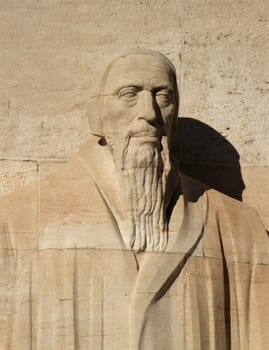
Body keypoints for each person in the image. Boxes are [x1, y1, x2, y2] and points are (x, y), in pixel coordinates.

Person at [0, 49, 268, 349]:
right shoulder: (18, 223)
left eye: (163, 97)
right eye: (129, 94)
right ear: (98, 113)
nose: (149, 113)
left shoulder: (240, 229)